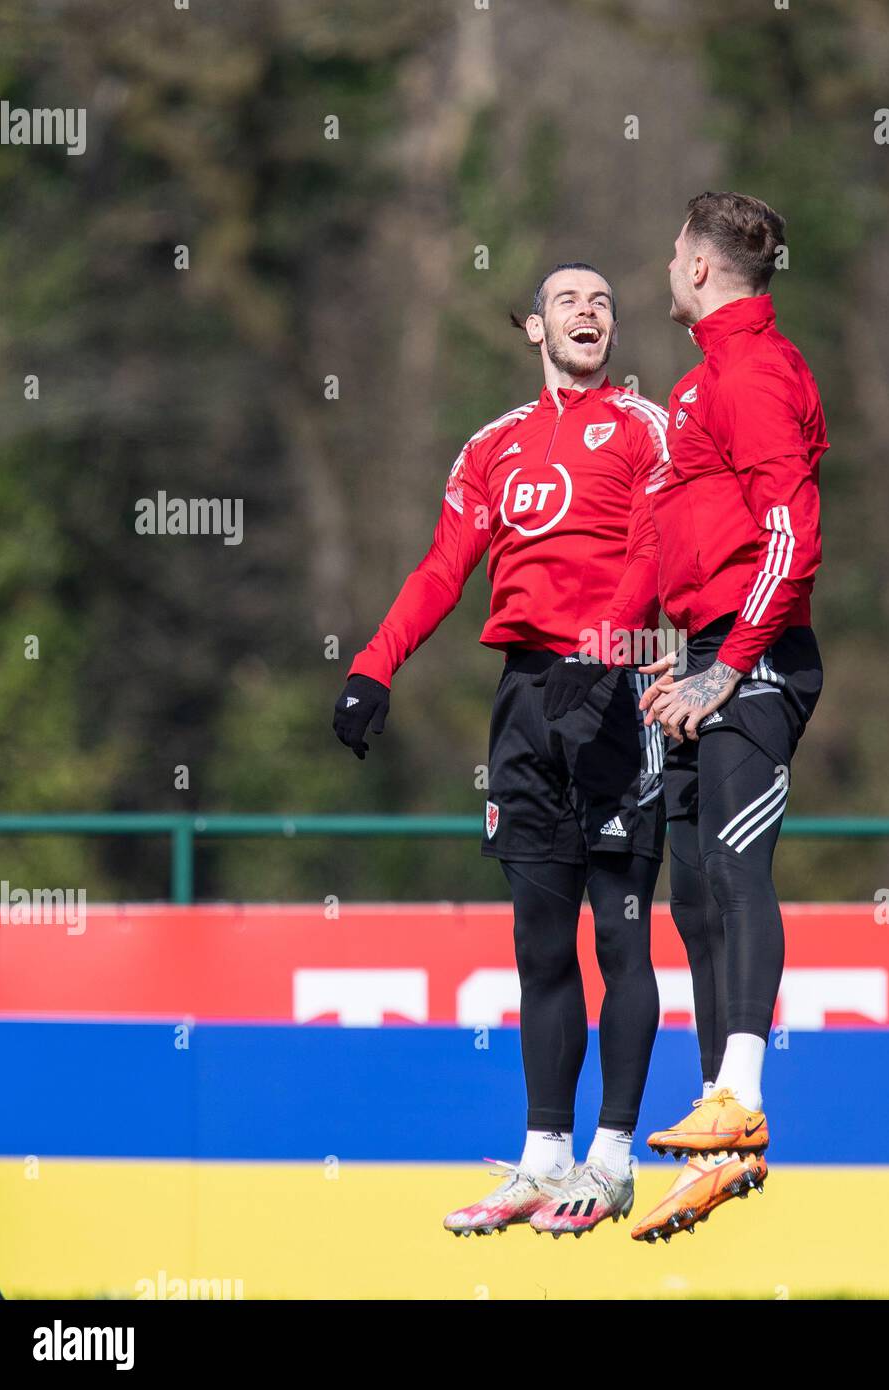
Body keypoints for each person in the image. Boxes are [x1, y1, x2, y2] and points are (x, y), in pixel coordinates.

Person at [333, 263, 669, 1237]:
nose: (589, 313)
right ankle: (542, 1156)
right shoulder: (492, 447)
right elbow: (444, 567)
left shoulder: (645, 427)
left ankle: (611, 1160)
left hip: (616, 684)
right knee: (537, 939)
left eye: (603, 301)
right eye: (569, 300)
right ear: (532, 327)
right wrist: (372, 666)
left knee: (619, 931)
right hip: (525, 696)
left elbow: (656, 556)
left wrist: (606, 649)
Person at [632, 193, 827, 1242]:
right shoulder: (701, 382)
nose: (665, 267)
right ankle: (725, 1132)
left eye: (673, 252)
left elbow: (791, 540)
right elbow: (697, 543)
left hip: (756, 661)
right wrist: (679, 662)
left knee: (739, 874)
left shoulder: (753, 372)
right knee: (695, 896)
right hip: (706, 657)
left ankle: (743, 1094)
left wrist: (730, 668)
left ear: (701, 270)